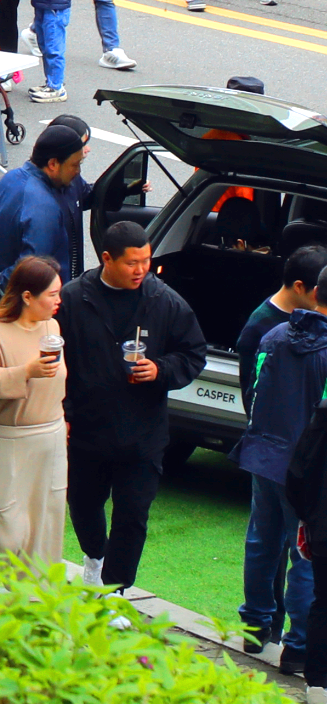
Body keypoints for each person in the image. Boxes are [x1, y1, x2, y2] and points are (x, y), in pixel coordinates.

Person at [58, 220, 208, 588]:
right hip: (87, 431)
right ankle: (94, 557)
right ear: (106, 259)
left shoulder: (164, 300)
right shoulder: (75, 299)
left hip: (143, 434)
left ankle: (115, 589)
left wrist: (161, 369)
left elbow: (193, 354)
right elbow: (56, 364)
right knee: (84, 504)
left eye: (146, 260)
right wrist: (63, 415)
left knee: (133, 515)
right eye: (132, 263)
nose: (142, 269)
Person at [243, 246, 327, 669]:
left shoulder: (271, 336)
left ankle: (255, 629)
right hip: (306, 469)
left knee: (262, 541)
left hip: (264, 455)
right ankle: (297, 645)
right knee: (305, 553)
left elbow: (255, 395)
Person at [0, 254, 70, 568]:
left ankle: (35, 600)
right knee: (2, 526)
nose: (58, 301)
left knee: (45, 524)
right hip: (5, 438)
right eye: (52, 295)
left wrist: (62, 419)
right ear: (27, 296)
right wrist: (25, 371)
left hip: (48, 438)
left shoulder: (51, 327)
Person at [0, 117, 93, 318]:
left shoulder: (7, 181)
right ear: (53, 164)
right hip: (24, 314)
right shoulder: (43, 206)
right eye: (74, 165)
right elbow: (32, 267)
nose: (77, 172)